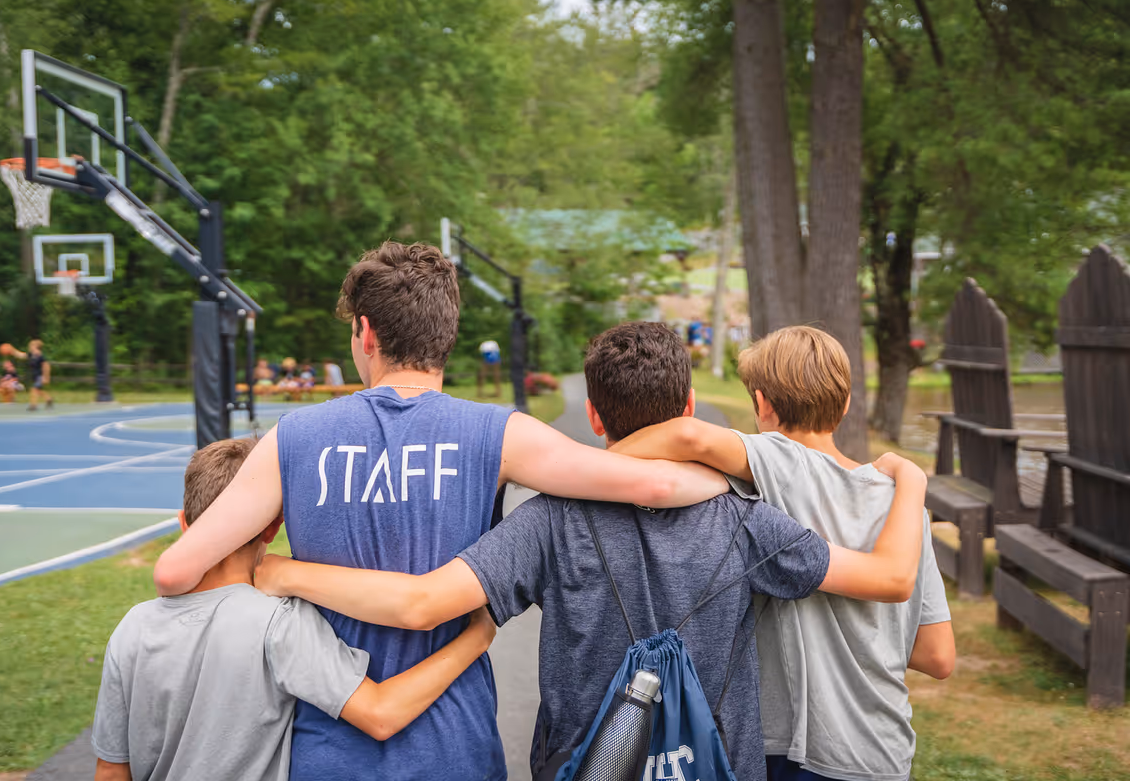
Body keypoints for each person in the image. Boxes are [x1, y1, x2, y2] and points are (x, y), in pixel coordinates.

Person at [153, 242, 729, 781]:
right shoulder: (497, 433)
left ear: (366, 332)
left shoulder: (293, 437)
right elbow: (654, 485)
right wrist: (740, 466)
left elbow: (176, 573)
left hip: (327, 749)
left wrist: (273, 572)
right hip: (457, 744)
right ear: (446, 334)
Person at [254, 322, 929, 781]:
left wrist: (280, 570)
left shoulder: (550, 519)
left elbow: (425, 602)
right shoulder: (747, 519)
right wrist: (909, 484)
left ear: (597, 419)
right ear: (691, 406)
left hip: (584, 762)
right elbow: (884, 579)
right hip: (715, 762)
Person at [613, 325, 954, 781]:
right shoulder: (904, 506)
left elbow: (689, 438)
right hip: (882, 750)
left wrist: (594, 458)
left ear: (762, 405)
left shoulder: (779, 460)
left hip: (791, 748)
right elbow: (937, 655)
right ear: (846, 403)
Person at [92, 437, 498, 781]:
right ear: (272, 526)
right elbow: (380, 714)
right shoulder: (277, 623)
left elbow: (111, 771)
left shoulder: (134, 626)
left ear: (184, 523)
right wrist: (475, 639)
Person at [8, 340, 53, 411]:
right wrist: (12, 350)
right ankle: (49, 399)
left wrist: (46, 377)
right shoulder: (31, 355)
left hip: (40, 376)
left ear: (36, 347)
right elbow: (21, 355)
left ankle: (33, 405)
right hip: (34, 376)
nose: (29, 347)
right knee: (38, 390)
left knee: (34, 389)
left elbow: (46, 367)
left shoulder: (41, 356)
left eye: (31, 345)